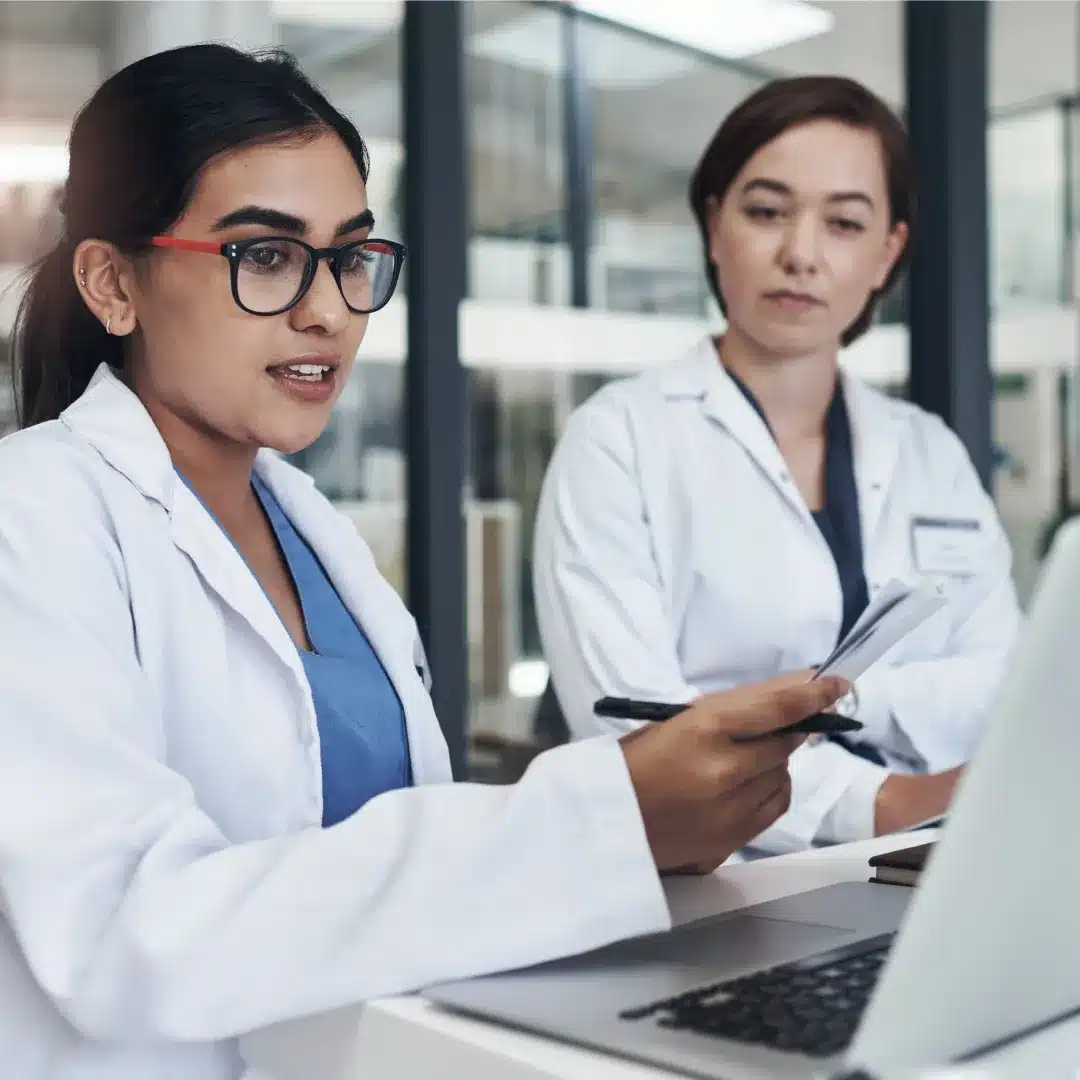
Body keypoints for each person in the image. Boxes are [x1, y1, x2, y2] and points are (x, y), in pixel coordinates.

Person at [0, 45, 849, 1080]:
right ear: (111, 283)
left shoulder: (313, 530)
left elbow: (400, 869)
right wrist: (597, 822)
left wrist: (649, 827)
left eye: (351, 257)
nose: (329, 310)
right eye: (264, 255)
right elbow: (127, 935)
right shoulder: (33, 517)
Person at [533, 75, 1022, 856]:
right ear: (713, 223)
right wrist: (883, 801)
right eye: (766, 212)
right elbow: (638, 725)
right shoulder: (618, 441)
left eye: (844, 223)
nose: (801, 254)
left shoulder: (929, 452)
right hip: (712, 882)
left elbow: (1004, 681)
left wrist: (842, 697)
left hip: (942, 859)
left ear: (887, 252)